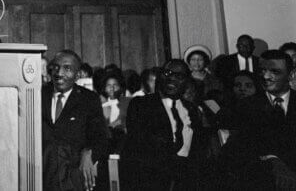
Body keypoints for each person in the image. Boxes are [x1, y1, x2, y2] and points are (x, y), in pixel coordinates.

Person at [120, 60, 205, 190]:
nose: (171, 78)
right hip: (153, 180)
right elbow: (140, 144)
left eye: (179, 76)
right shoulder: (141, 105)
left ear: (187, 82)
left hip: (185, 182)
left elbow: (198, 150)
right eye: (167, 73)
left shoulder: (192, 110)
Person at [218, 50, 296, 190]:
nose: (266, 76)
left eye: (275, 72)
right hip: (262, 178)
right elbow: (235, 150)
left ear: (291, 75)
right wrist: (271, 159)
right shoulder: (245, 106)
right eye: (263, 71)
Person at [42, 50, 108, 191]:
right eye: (56, 67)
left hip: (73, 179)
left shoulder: (89, 99)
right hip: (40, 176)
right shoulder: (38, 94)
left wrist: (88, 152)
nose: (59, 73)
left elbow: (100, 137)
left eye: (67, 68)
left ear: (78, 75)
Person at [99, 71, 131, 153]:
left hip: (124, 144)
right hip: (107, 146)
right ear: (104, 88)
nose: (112, 88)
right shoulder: (101, 105)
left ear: (120, 87)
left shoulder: (127, 102)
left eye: (115, 85)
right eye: (108, 85)